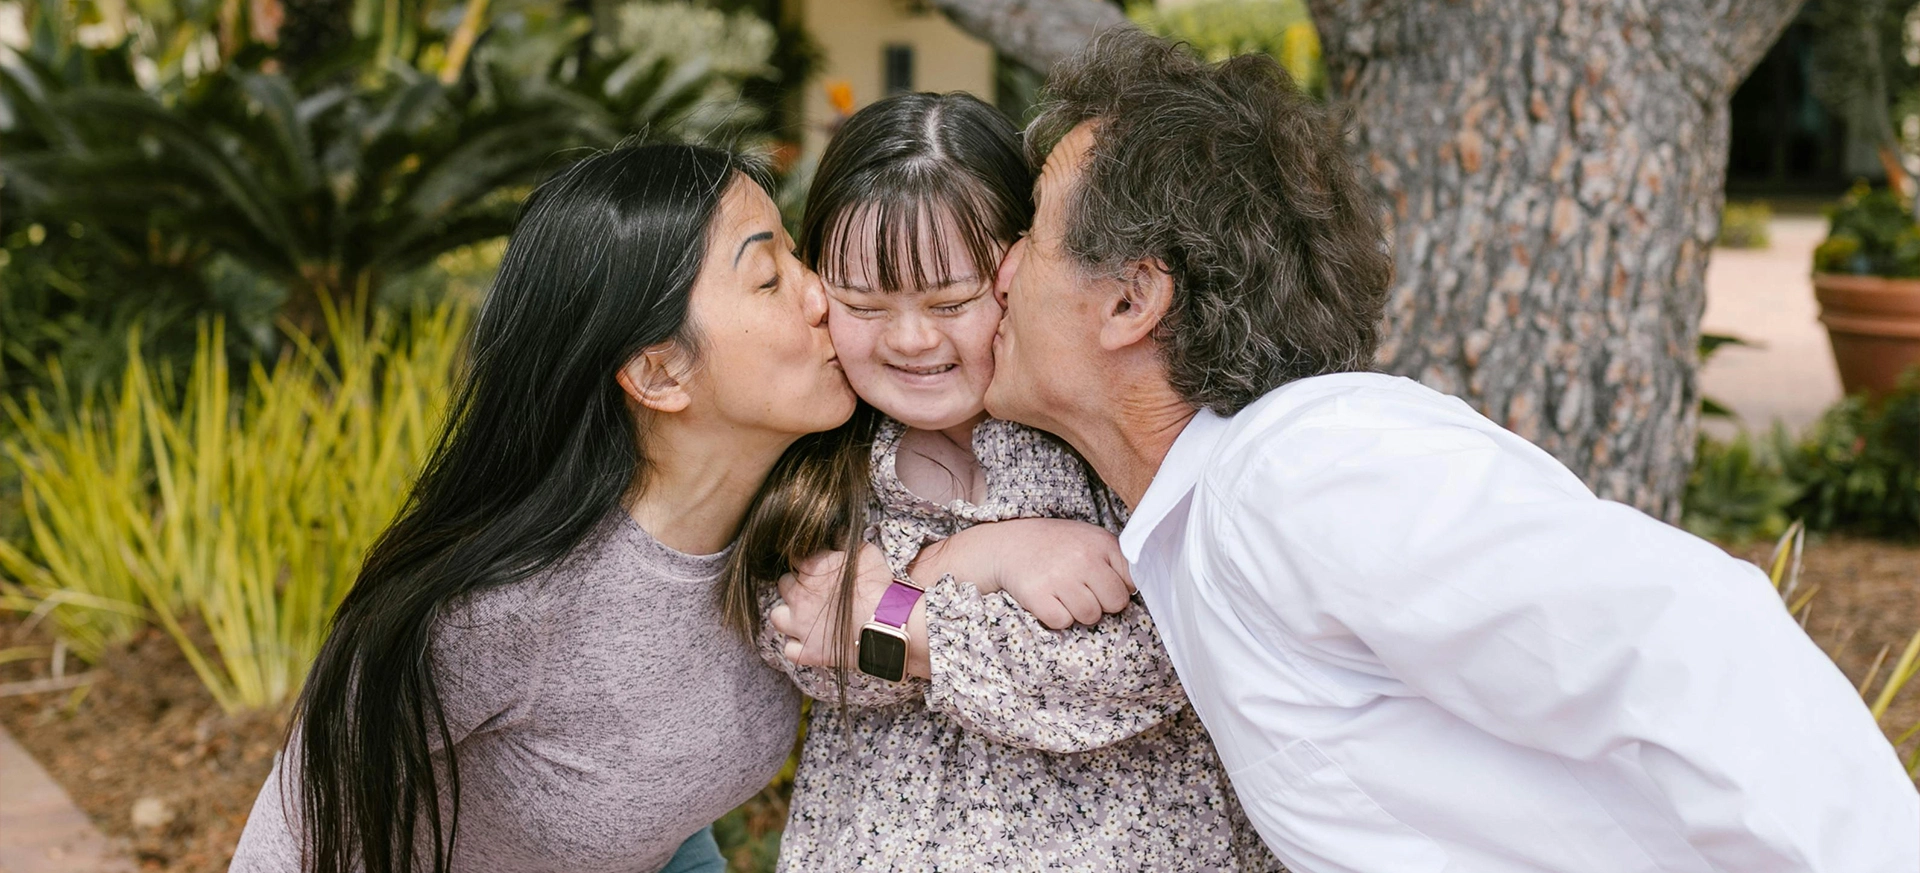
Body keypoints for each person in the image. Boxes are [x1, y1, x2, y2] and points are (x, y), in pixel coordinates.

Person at [983, 28, 1920, 873]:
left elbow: (1700, 646)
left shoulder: (1297, 474)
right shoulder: (1211, 510)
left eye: (1030, 229)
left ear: (1129, 302)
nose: (1000, 265)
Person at [229, 144, 856, 873]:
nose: (821, 295)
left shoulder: (806, 520)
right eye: (770, 277)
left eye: (796, 254)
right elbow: (302, 815)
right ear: (659, 372)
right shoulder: (503, 607)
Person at [722, 91, 1280, 872]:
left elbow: (1145, 667)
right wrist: (972, 563)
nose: (913, 339)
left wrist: (903, 623)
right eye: (863, 304)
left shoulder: (1096, 434)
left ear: (1021, 270)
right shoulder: (819, 459)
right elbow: (812, 639)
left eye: (952, 301)